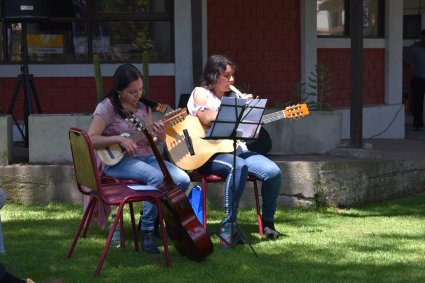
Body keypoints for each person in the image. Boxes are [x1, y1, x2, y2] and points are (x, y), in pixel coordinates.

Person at [87, 63, 191, 254]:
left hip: (145, 157)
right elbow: (91, 138)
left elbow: (149, 138)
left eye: (140, 89)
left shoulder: (144, 107)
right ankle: (147, 233)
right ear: (119, 91)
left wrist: (159, 136)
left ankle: (150, 219)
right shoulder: (107, 107)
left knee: (183, 180)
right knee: (157, 178)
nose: (138, 95)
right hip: (117, 161)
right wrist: (119, 139)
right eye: (132, 92)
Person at [186, 54, 282, 246]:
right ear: (214, 76)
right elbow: (206, 118)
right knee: (238, 167)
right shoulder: (201, 93)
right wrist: (237, 108)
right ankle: (228, 226)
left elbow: (247, 133)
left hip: (236, 150)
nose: (232, 80)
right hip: (207, 155)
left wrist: (250, 115)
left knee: (273, 172)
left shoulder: (231, 98)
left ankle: (268, 223)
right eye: (227, 76)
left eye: (233, 76)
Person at [403, 29, 425, 131]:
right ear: (421, 37)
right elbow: (404, 57)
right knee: (417, 102)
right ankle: (417, 124)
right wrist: (410, 65)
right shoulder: (415, 48)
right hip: (418, 79)